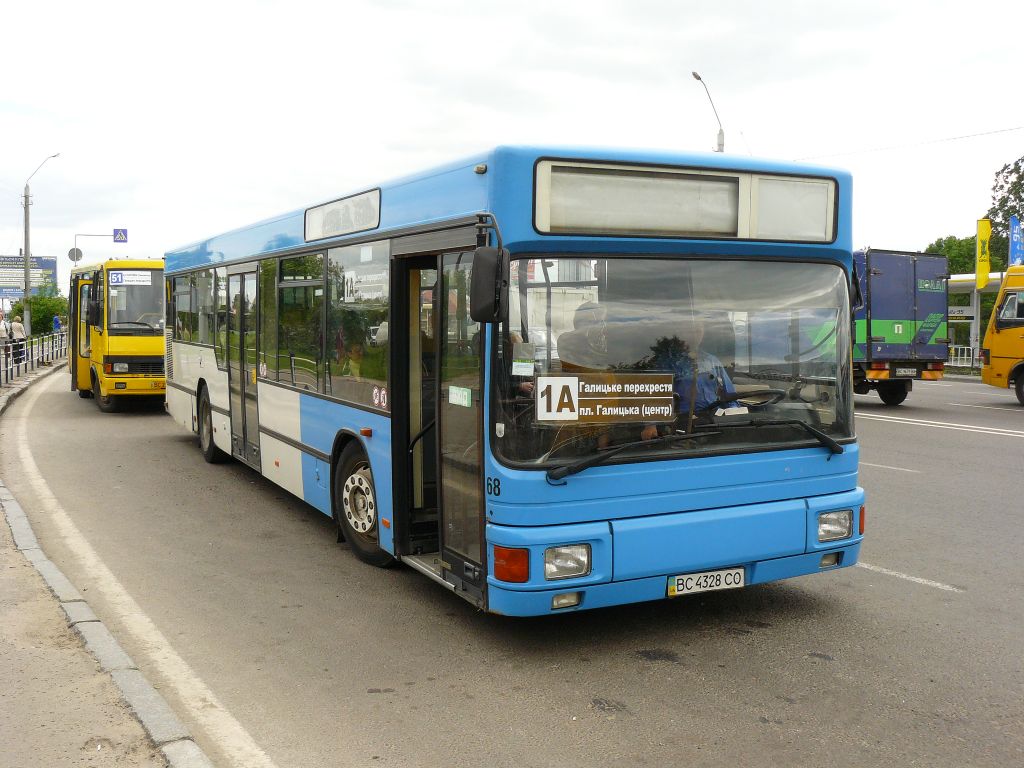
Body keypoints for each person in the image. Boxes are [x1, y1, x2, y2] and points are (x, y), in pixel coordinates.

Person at [641, 314, 736, 439]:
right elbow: (652, 396)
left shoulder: (712, 361)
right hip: (681, 427)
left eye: (698, 330)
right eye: (690, 329)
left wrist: (734, 414)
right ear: (680, 331)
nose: (695, 334)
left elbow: (730, 396)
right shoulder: (667, 362)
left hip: (714, 423)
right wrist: (650, 425)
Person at [556, 301, 608, 372]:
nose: (604, 325)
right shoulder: (566, 340)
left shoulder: (600, 340)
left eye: (603, 321)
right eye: (599, 321)